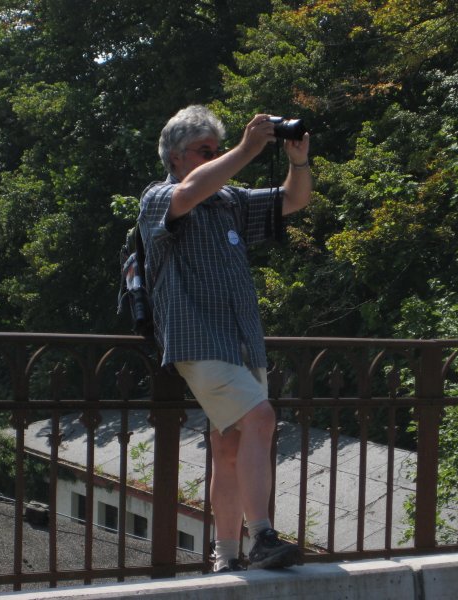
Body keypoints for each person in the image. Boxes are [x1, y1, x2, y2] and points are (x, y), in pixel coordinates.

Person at [138, 105, 312, 572]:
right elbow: (191, 192)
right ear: (175, 157)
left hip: (241, 342)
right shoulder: (160, 195)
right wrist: (246, 148)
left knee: (228, 446)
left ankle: (227, 556)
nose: (213, 157)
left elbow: (294, 201)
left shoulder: (229, 200)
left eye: (216, 149)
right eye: (204, 151)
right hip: (198, 341)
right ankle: (263, 537)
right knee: (260, 420)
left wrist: (297, 161)